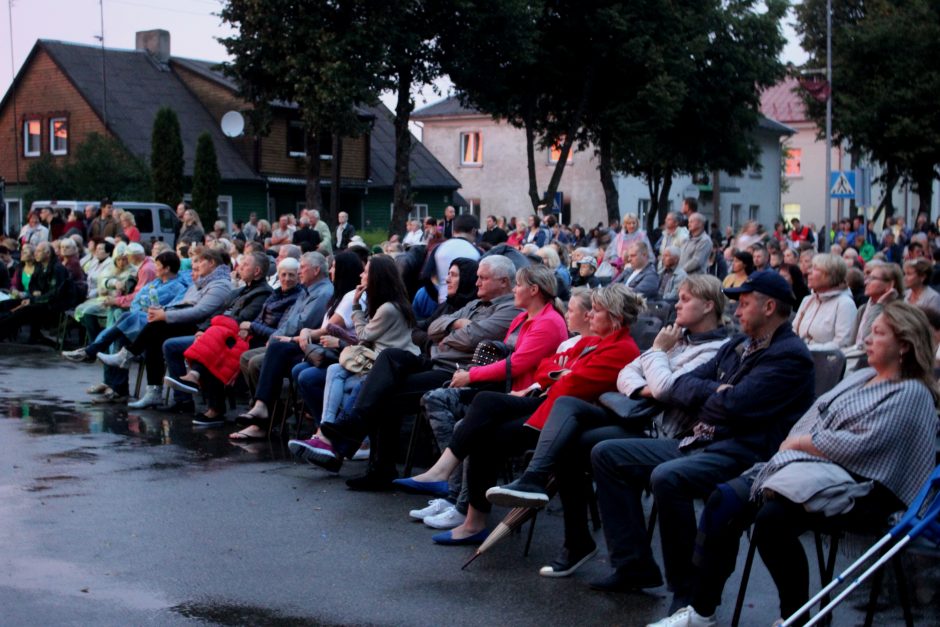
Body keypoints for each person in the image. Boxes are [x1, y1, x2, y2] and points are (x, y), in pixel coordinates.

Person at [652, 300, 939, 627]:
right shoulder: (863, 377)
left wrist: (802, 444)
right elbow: (812, 418)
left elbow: (867, 446)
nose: (868, 340)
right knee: (723, 501)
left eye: (878, 333)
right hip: (808, 467)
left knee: (771, 520)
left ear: (903, 345)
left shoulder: (912, 392)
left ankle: (797, 617)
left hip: (866, 487)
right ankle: (700, 611)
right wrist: (800, 445)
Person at [588, 270, 814, 606]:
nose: (736, 311)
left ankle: (688, 592)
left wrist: (714, 397)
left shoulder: (790, 355)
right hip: (702, 441)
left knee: (669, 478)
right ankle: (633, 565)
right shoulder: (739, 345)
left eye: (745, 304)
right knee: (607, 453)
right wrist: (715, 392)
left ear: (769, 308)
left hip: (745, 452)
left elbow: (733, 406)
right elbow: (680, 386)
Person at [486, 276, 731, 574]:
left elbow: (666, 387)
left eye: (685, 298)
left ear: (708, 306)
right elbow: (627, 376)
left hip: (669, 435)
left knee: (574, 439)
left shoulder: (715, 351)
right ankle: (541, 491)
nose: (677, 304)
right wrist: (647, 385)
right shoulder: (677, 340)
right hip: (639, 415)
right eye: (677, 296)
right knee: (566, 416)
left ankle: (588, 544)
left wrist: (655, 356)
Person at [394, 284, 644, 545]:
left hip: (561, 420)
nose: (590, 315)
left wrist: (560, 374)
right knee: (484, 411)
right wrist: (561, 373)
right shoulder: (592, 341)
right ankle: (466, 512)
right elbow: (545, 368)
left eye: (597, 310)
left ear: (614, 317)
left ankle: (453, 491)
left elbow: (570, 384)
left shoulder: (621, 349)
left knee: (484, 416)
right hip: (547, 403)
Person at [305, 255, 520, 489]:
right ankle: (354, 432)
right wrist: (454, 326)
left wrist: (451, 331)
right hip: (434, 359)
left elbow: (471, 337)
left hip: (456, 372)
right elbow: (431, 327)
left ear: (504, 282)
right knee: (390, 357)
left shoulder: (509, 309)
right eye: (477, 277)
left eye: (483, 278)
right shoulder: (475, 304)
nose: (477, 282)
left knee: (384, 393)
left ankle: (372, 459)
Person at [280, 255, 419, 447]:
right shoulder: (381, 303)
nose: (361, 275)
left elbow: (363, 335)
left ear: (377, 277)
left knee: (345, 385)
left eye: (366, 271)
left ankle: (355, 441)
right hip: (372, 360)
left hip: (383, 366)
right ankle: (326, 430)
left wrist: (355, 305)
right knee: (333, 370)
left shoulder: (388, 308)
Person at [96, 249, 233, 407]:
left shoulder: (220, 285)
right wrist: (164, 311)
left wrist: (165, 315)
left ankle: (124, 357)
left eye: (199, 263)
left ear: (211, 263)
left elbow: (200, 312)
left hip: (203, 330)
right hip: (191, 324)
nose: (194, 268)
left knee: (155, 328)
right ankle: (152, 390)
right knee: (152, 336)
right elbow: (184, 305)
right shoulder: (204, 282)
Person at [157, 251, 277, 417]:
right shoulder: (238, 291)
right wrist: (202, 330)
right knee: (171, 345)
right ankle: (183, 398)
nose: (239, 268)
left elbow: (242, 319)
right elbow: (216, 313)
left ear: (257, 271)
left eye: (245, 265)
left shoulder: (263, 293)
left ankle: (213, 406)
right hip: (216, 333)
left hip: (236, 339)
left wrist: (213, 326)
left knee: (215, 346)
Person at [234, 253, 334, 421]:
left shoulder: (323, 293)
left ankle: (267, 413)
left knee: (255, 362)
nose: (298, 272)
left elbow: (301, 324)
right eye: (284, 274)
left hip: (304, 347)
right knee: (246, 357)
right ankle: (269, 409)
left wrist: (272, 336)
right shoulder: (306, 290)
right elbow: (289, 321)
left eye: (302, 268)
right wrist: (273, 335)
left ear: (316, 270)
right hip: (286, 341)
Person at [0, 241, 73, 344]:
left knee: (22, 312)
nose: (35, 254)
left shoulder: (57, 269)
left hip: (53, 305)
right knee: (6, 304)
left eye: (38, 251)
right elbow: (33, 285)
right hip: (39, 300)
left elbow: (55, 293)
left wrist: (34, 299)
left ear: (47, 253)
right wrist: (33, 294)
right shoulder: (39, 267)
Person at [793, 254, 857, 350]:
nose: (808, 272)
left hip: (824, 362)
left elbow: (843, 344)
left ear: (831, 275)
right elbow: (793, 331)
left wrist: (807, 349)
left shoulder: (845, 304)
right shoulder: (807, 300)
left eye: (815, 269)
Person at [426, 213, 481, 304]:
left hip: (444, 300)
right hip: (469, 304)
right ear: (473, 231)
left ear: (454, 230)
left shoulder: (439, 248)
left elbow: (426, 277)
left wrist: (438, 296)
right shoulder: (476, 252)